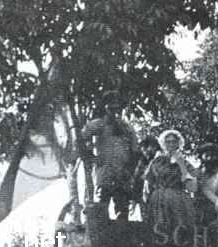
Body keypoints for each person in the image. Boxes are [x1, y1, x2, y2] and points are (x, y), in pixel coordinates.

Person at [81, 90, 140, 222]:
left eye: (117, 106)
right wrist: (91, 157)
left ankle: (121, 239)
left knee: (123, 209)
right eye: (111, 106)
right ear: (105, 107)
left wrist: (129, 171)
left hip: (122, 173)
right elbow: (80, 141)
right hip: (104, 171)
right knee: (102, 205)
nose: (115, 109)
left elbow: (135, 152)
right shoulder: (97, 124)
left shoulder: (127, 128)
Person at [143, 129, 197, 230]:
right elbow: (148, 185)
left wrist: (181, 164)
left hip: (177, 199)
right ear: (164, 144)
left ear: (178, 144)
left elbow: (192, 187)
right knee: (157, 228)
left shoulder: (185, 163)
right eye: (168, 142)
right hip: (158, 200)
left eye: (174, 142)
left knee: (177, 228)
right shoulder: (156, 162)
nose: (171, 144)